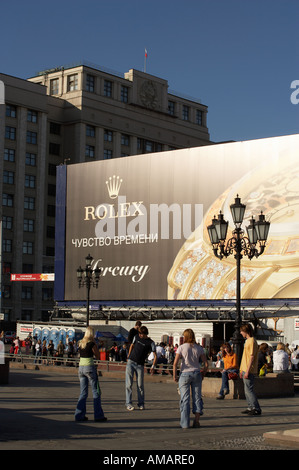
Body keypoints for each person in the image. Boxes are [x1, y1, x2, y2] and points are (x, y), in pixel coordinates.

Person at [173, 329, 208, 429]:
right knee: (197, 398)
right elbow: (206, 364)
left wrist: (174, 375)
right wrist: (203, 374)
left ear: (185, 337)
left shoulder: (181, 347)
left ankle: (184, 423)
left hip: (184, 374)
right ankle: (196, 421)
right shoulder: (199, 348)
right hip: (196, 373)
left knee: (185, 399)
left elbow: (175, 363)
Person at [74, 326, 107, 422]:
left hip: (81, 368)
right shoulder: (92, 343)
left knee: (83, 393)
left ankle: (79, 415)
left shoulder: (80, 343)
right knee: (96, 392)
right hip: (89, 367)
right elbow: (97, 356)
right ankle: (98, 415)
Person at [125, 325, 157, 411]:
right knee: (129, 384)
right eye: (139, 333)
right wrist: (129, 355)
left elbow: (155, 355)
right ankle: (128, 403)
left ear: (145, 334)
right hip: (131, 362)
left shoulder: (151, 343)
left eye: (141, 334)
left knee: (140, 385)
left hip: (140, 365)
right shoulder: (136, 337)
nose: (139, 335)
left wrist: (153, 365)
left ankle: (141, 403)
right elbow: (132, 345)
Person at [239, 323, 261, 416]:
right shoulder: (248, 341)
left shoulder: (251, 341)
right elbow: (245, 357)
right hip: (244, 368)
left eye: (241, 331)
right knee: (247, 389)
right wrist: (241, 369)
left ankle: (256, 408)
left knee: (249, 390)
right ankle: (250, 406)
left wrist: (247, 371)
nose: (240, 333)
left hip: (249, 369)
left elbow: (251, 357)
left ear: (246, 331)